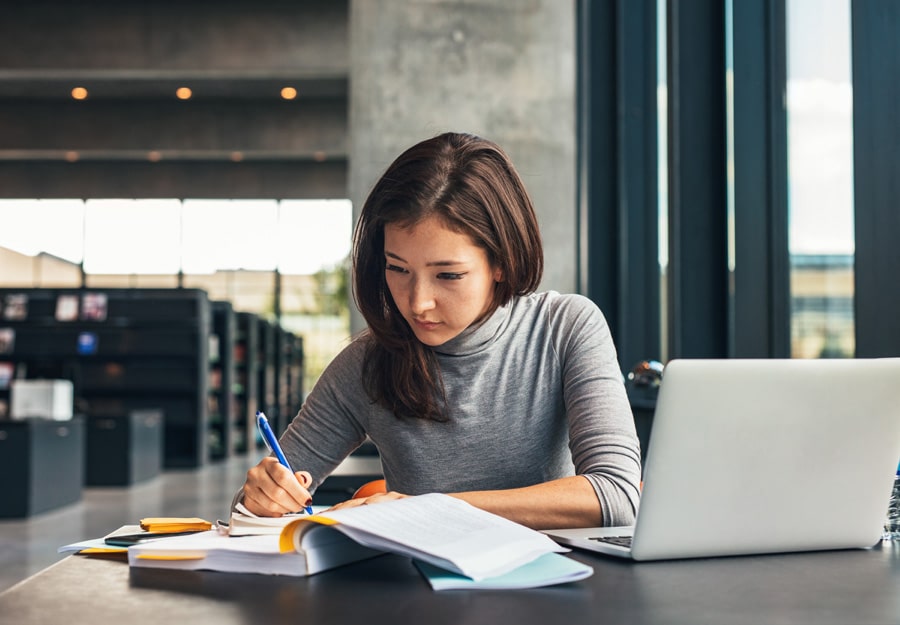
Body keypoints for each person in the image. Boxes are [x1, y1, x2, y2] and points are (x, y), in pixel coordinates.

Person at [239, 132, 641, 530]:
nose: (418, 303)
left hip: (555, 586)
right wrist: (260, 498)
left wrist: (423, 508)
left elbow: (616, 495)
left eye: (447, 275)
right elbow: (249, 512)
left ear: (501, 262)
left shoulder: (565, 328)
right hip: (419, 591)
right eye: (398, 269)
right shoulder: (365, 363)